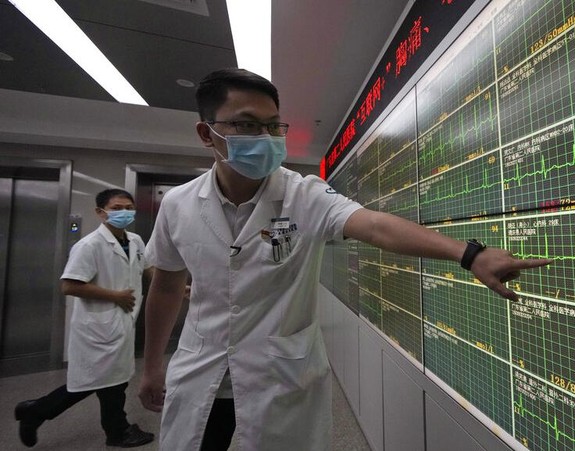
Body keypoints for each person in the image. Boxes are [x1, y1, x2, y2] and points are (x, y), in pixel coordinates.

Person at [137, 68, 552, 450]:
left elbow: (375, 226)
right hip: (200, 369)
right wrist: (153, 365)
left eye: (272, 125)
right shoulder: (178, 205)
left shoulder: (305, 195)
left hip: (278, 377)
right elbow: (168, 286)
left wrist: (469, 254)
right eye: (246, 125)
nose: (264, 137)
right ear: (206, 133)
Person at [14, 189, 155, 448]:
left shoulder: (135, 240)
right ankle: (39, 412)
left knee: (112, 381)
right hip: (99, 327)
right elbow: (69, 286)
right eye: (117, 207)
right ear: (100, 212)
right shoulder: (89, 245)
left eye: (129, 207)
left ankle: (115, 429)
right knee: (95, 382)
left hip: (121, 323)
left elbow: (148, 271)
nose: (124, 212)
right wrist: (115, 296)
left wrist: (178, 289)